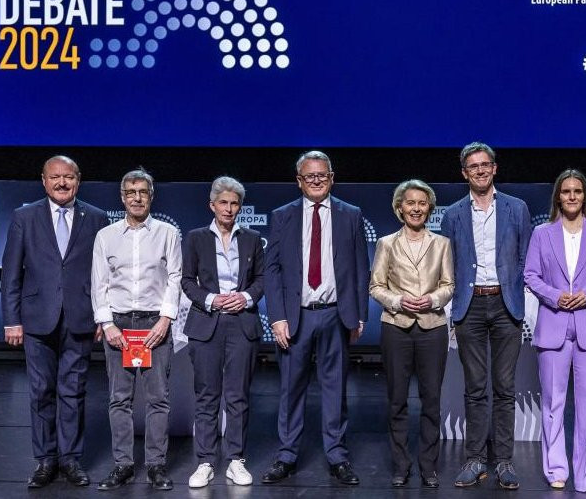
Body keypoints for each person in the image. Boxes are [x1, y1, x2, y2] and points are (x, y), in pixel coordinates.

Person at [261, 150, 370, 486]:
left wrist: (360, 315)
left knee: (335, 389)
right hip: (295, 318)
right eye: (310, 176)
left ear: (332, 178)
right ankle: (287, 455)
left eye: (323, 175)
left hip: (336, 314)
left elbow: (360, 268)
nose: (317, 180)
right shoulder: (282, 216)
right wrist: (277, 317)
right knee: (291, 389)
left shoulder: (351, 215)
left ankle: (337, 455)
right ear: (299, 181)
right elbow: (272, 269)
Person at [1, 155, 109, 488]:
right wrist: (11, 321)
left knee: (74, 391)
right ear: (43, 180)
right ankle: (46, 460)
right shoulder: (24, 216)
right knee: (40, 391)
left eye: (68, 177)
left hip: (81, 319)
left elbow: (103, 274)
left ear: (78, 179)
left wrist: (103, 317)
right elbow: (11, 274)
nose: (62, 183)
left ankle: (71, 459)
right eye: (55, 177)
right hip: (36, 321)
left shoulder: (98, 217)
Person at [440, 141, 533, 490]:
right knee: (475, 388)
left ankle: (504, 461)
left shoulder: (517, 208)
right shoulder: (452, 215)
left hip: (506, 304)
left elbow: (526, 258)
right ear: (464, 173)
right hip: (470, 306)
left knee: (505, 387)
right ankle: (475, 459)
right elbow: (447, 265)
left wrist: (518, 293)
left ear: (494, 168)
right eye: (472, 166)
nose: (479, 170)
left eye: (485, 165)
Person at [523, 169, 586, 492]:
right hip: (553, 325)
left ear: (585, 196)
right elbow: (531, 275)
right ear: (558, 196)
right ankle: (556, 469)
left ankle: (583, 473)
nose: (571, 197)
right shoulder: (542, 234)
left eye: (577, 191)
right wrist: (554, 296)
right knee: (553, 403)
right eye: (565, 191)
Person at [91, 168, 182, 491]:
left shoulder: (168, 234)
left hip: (155, 323)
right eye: (131, 192)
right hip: (119, 325)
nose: (137, 197)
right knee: (119, 399)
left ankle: (156, 465)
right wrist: (107, 324)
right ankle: (123, 465)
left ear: (151, 195)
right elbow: (99, 283)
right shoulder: (106, 236)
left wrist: (165, 320)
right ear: (122, 197)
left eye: (143, 191)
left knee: (158, 399)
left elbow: (175, 279)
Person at [369, 180, 455, 489]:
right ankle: (401, 464)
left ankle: (428, 466)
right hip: (396, 327)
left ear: (429, 208)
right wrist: (397, 300)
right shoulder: (386, 243)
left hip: (432, 328)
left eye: (422, 203)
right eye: (410, 203)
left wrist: (432, 300)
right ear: (399, 208)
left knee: (431, 400)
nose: (416, 208)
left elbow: (449, 285)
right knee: (397, 400)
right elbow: (376, 286)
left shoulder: (442, 243)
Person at [181, 177, 264, 488]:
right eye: (224, 203)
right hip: (207, 322)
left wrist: (244, 297)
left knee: (238, 395)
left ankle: (235, 460)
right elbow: (187, 280)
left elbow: (262, 278)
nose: (229, 209)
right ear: (212, 205)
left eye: (234, 203)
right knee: (206, 396)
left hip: (242, 322)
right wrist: (211, 299)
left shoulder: (253, 238)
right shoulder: (195, 238)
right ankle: (204, 461)